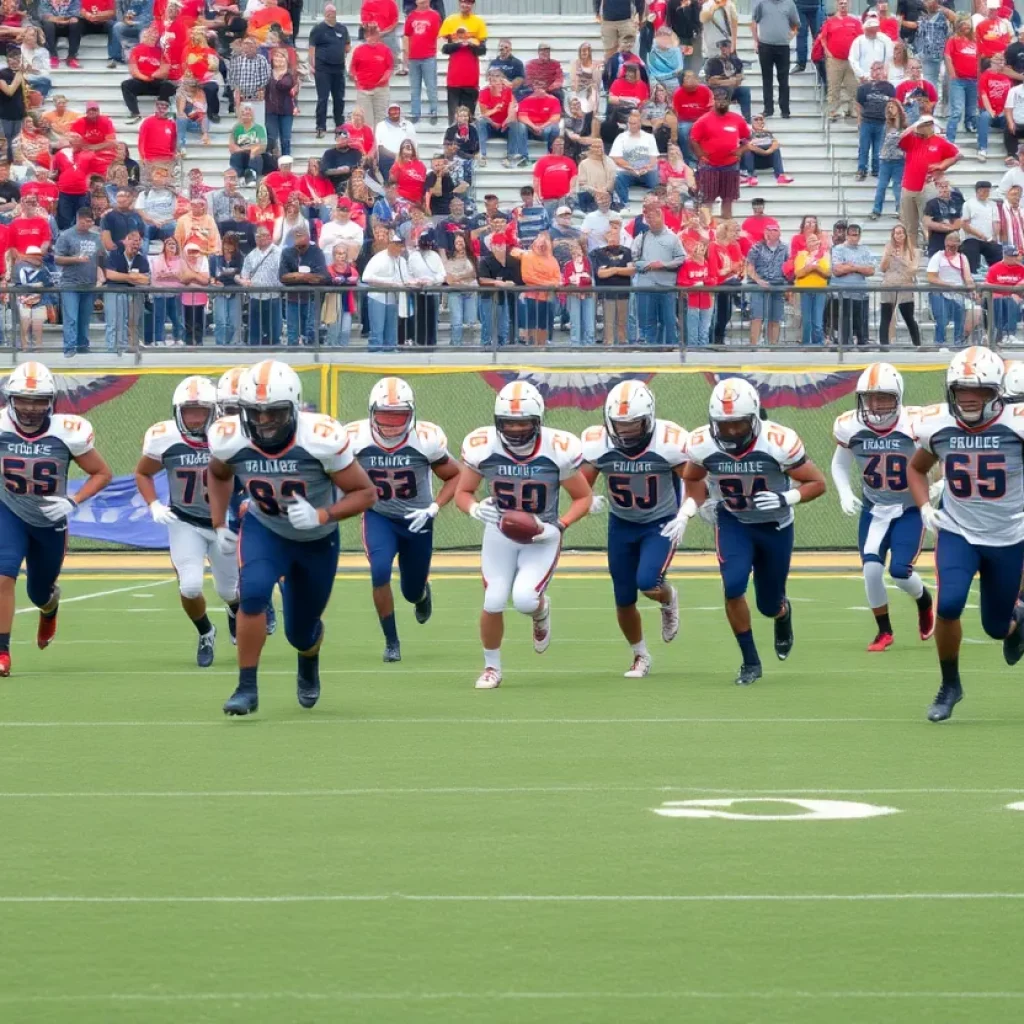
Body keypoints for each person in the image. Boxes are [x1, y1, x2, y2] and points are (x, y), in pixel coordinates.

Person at [208, 360, 376, 715]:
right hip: (264, 528)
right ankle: (246, 687)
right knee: (252, 593)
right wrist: (219, 522)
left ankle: (308, 659)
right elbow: (219, 474)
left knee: (300, 632)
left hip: (317, 539)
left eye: (274, 414)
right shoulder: (229, 436)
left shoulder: (321, 439)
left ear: (295, 408)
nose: (264, 422)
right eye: (255, 413)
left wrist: (323, 514)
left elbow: (366, 493)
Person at [684, 379, 827, 686]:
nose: (733, 432)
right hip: (734, 520)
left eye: (739, 424)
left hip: (775, 525)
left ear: (755, 418)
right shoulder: (703, 443)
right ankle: (750, 662)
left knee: (768, 604)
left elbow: (817, 483)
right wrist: (701, 503)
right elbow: (692, 477)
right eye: (725, 425)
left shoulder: (778, 441)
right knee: (733, 586)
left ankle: (782, 614)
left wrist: (786, 498)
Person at [908, 348, 1024, 722]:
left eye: (979, 391)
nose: (968, 399)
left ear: (998, 392)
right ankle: (949, 685)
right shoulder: (937, 424)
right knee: (949, 604)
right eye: (961, 390)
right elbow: (916, 469)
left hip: (1009, 535)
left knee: (995, 628)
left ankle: (1016, 617)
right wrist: (925, 506)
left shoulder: (1016, 424)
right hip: (959, 531)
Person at [455, 381, 592, 689]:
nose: (515, 429)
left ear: (538, 421)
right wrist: (475, 509)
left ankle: (541, 611)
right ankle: (492, 667)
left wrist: (559, 526)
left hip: (540, 535)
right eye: (509, 423)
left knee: (525, 600)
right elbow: (463, 492)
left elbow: (582, 498)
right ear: (497, 422)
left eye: (522, 423)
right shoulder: (484, 447)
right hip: (499, 532)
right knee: (493, 600)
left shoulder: (557, 449)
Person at [0, 363, 112, 676]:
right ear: (10, 399)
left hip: (50, 520)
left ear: (51, 401)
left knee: (40, 593)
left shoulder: (66, 431)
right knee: (2, 576)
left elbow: (102, 473)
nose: (31, 408)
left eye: (38, 400)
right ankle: (2, 653)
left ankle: (49, 608)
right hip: (9, 510)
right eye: (23, 400)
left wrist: (72, 500)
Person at [345, 378, 460, 661]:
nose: (392, 425)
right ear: (372, 413)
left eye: (399, 417)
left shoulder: (426, 439)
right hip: (380, 516)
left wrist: (434, 507)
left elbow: (456, 475)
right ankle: (391, 641)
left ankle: (421, 594)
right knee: (379, 571)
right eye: (385, 416)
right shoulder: (355, 438)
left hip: (417, 519)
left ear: (411, 415)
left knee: (411, 590)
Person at [578, 382, 685, 676]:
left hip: (659, 522)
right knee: (623, 597)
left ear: (649, 419)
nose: (624, 432)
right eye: (618, 424)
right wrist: (586, 499)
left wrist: (687, 511)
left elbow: (693, 477)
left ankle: (668, 598)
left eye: (632, 424)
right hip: (621, 523)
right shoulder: (598, 442)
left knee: (648, 581)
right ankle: (640, 655)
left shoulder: (668, 441)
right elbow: (580, 482)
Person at [135, 377, 238, 668]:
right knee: (190, 587)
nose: (194, 420)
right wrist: (153, 503)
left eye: (200, 412)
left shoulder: (229, 435)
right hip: (185, 521)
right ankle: (206, 631)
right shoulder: (164, 437)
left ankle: (233, 611)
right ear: (176, 412)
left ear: (214, 411)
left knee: (230, 591)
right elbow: (143, 472)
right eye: (188, 412)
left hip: (223, 523)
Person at [831, 364, 934, 654]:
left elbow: (940, 455)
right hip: (874, 508)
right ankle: (884, 631)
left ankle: (924, 601)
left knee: (900, 571)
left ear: (898, 396)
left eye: (884, 397)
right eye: (870, 398)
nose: (876, 405)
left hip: (910, 508)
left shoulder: (915, 423)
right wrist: (844, 492)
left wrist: (936, 487)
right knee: (872, 571)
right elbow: (839, 463)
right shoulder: (851, 425)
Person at [898, 115, 960, 248]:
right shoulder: (912, 139)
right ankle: (912, 253)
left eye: (927, 125)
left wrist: (942, 165)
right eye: (923, 124)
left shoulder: (940, 141)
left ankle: (931, 249)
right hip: (908, 186)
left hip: (928, 185)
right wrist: (914, 126)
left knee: (929, 222)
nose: (924, 127)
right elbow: (901, 138)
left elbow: (956, 154)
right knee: (909, 224)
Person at [690, 87, 749, 220]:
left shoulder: (737, 119)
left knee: (728, 201)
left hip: (731, 165)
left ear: (729, 102)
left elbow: (747, 138)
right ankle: (707, 231)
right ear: (713, 101)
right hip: (710, 166)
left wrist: (741, 150)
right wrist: (700, 156)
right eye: (719, 100)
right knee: (707, 202)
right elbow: (694, 139)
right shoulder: (703, 120)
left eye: (725, 100)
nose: (722, 103)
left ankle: (726, 231)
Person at [629, 203, 683, 345]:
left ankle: (670, 349)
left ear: (661, 217)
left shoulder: (673, 238)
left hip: (666, 287)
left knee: (669, 321)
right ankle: (650, 350)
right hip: (646, 287)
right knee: (647, 321)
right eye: (648, 219)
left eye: (652, 218)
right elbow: (634, 260)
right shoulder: (642, 237)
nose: (650, 222)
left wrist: (664, 264)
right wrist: (648, 265)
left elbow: (681, 258)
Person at [53, 206, 100, 356]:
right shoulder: (66, 235)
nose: (89, 224)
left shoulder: (95, 237)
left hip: (89, 283)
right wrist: (76, 259)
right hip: (70, 283)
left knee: (84, 318)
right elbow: (57, 258)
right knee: (71, 317)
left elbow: (101, 257)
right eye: (86, 221)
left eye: (91, 222)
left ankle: (83, 345)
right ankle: (69, 347)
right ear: (79, 219)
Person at [279, 223, 328, 345]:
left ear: (308, 237)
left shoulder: (316, 252)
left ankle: (312, 361)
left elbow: (322, 276)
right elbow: (282, 277)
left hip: (311, 298)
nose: (298, 238)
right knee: (292, 333)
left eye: (301, 235)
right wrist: (305, 276)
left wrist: (297, 276)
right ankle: (293, 359)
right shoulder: (287, 253)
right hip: (292, 298)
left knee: (311, 331)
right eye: (296, 236)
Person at [751, 0, 799, 119]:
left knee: (783, 79)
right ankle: (768, 109)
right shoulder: (761, 3)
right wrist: (756, 41)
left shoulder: (789, 4)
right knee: (767, 79)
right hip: (765, 46)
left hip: (783, 47)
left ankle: (785, 110)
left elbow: (796, 23)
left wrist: (792, 34)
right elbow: (753, 22)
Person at [103, 227, 148, 353]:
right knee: (113, 323)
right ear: (125, 241)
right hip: (114, 292)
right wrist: (130, 277)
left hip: (133, 295)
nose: (136, 243)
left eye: (138, 241)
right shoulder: (115, 254)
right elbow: (109, 275)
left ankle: (126, 350)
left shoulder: (141, 258)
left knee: (131, 323)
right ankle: (112, 351)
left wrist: (122, 277)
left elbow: (146, 279)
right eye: (133, 240)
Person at [830, 223, 875, 347]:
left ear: (860, 236)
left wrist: (851, 267)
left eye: (856, 235)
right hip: (842, 293)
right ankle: (844, 347)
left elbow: (871, 270)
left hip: (860, 293)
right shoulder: (838, 249)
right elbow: (837, 270)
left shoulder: (865, 250)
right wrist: (859, 268)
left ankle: (862, 345)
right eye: (851, 235)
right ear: (847, 235)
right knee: (844, 324)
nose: (854, 238)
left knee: (861, 324)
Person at [309, 3, 350, 139]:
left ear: (335, 13)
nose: (330, 14)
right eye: (327, 12)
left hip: (338, 68)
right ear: (324, 13)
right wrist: (312, 65)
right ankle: (320, 126)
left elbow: (347, 47)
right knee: (323, 98)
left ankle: (339, 126)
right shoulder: (318, 29)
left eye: (332, 11)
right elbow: (312, 49)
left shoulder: (342, 29)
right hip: (323, 69)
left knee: (339, 98)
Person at [362, 232, 409, 349]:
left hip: (393, 298)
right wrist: (388, 282)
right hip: (378, 297)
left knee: (391, 331)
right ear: (390, 245)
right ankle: (375, 353)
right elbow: (366, 277)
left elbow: (405, 278)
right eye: (396, 245)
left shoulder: (401, 261)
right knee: (377, 330)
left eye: (400, 246)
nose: (399, 249)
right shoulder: (378, 258)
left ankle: (390, 351)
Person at [926, 230, 973, 345]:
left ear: (959, 244)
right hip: (940, 292)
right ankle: (939, 342)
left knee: (959, 320)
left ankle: (958, 342)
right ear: (945, 243)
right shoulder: (938, 256)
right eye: (948, 245)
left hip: (958, 293)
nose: (950, 248)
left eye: (954, 246)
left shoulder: (962, 258)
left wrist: (971, 287)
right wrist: (949, 285)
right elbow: (931, 277)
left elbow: (967, 277)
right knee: (941, 320)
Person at [877, 223, 921, 346]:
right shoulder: (888, 248)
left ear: (905, 235)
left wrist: (900, 259)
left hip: (905, 285)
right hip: (889, 284)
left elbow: (913, 269)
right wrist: (888, 256)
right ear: (893, 235)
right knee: (885, 317)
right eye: (896, 233)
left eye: (901, 233)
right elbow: (882, 268)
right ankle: (884, 346)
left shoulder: (914, 251)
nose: (899, 235)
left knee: (909, 317)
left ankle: (917, 344)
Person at [591, 219, 633, 343]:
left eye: (615, 234)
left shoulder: (627, 251)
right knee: (608, 322)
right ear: (605, 236)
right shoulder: (598, 253)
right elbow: (601, 273)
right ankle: (608, 343)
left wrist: (613, 269)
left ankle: (622, 342)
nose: (613, 237)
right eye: (610, 234)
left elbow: (631, 271)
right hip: (607, 292)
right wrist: (620, 269)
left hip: (624, 292)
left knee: (622, 321)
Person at [744, 219, 787, 343]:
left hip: (777, 286)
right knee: (756, 317)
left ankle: (772, 347)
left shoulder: (784, 248)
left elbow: (788, 266)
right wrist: (758, 280)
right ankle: (754, 347)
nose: (770, 233)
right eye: (768, 230)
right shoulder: (756, 247)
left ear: (779, 233)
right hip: (758, 286)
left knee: (775, 318)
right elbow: (750, 267)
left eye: (774, 230)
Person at [240, 225, 283, 344]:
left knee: (273, 330)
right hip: (255, 296)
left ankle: (273, 349)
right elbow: (245, 274)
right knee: (255, 330)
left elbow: (283, 272)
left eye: (265, 235)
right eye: (259, 236)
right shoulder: (251, 255)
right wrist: (245, 281)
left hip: (273, 296)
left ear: (270, 237)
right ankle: (255, 351)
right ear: (255, 238)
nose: (262, 238)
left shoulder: (279, 253)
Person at [822, 0, 863, 120]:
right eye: (841, 3)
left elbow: (860, 39)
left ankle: (853, 110)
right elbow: (823, 38)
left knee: (853, 86)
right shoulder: (830, 22)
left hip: (850, 61)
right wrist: (827, 52)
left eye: (845, 3)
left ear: (849, 5)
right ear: (837, 5)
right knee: (833, 87)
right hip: (834, 60)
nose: (843, 5)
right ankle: (833, 111)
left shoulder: (855, 22)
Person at [478, 68, 524, 168]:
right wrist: (494, 114)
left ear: (502, 79)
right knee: (481, 121)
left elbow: (513, 110)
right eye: (492, 76)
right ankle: (482, 155)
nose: (494, 78)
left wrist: (506, 122)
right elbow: (484, 113)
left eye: (497, 76)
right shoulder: (484, 91)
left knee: (517, 125)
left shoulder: (508, 91)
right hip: (491, 125)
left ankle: (510, 157)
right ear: (488, 79)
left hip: (504, 126)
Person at [351, 21, 394, 128]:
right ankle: (369, 144)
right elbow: (352, 68)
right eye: (370, 35)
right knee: (366, 121)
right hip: (364, 91)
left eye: (375, 35)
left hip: (381, 90)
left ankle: (380, 144)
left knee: (381, 121)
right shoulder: (359, 50)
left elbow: (389, 68)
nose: (373, 38)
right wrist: (357, 81)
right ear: (365, 36)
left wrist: (383, 79)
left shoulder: (385, 50)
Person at [404, 0, 440, 124]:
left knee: (431, 85)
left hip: (428, 56)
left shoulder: (434, 15)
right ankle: (415, 112)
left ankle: (434, 110)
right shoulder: (411, 15)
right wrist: (406, 56)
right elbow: (407, 35)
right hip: (413, 57)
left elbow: (436, 34)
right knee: (414, 87)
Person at [441, 24, 485, 123]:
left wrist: (470, 44)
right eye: (460, 33)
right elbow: (444, 49)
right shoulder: (453, 45)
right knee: (453, 116)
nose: (462, 36)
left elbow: (482, 50)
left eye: (464, 33)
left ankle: (467, 136)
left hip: (471, 84)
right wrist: (459, 44)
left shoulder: (474, 44)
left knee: (468, 116)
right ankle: (452, 135)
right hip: (453, 83)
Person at [945, 17, 978, 143]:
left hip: (973, 80)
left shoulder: (975, 41)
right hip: (958, 81)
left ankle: (970, 129)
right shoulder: (953, 40)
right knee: (957, 111)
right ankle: (950, 140)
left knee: (971, 111)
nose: (966, 27)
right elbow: (947, 57)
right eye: (963, 24)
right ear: (958, 26)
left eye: (968, 25)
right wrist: (952, 74)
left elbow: (980, 58)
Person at [793, 231, 830, 345]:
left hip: (820, 291)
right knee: (807, 320)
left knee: (817, 320)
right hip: (804, 291)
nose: (813, 242)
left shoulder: (825, 255)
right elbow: (798, 273)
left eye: (815, 240)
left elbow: (828, 273)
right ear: (806, 244)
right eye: (810, 240)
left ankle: (818, 343)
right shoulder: (801, 255)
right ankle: (806, 344)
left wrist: (815, 267)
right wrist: (810, 268)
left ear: (819, 242)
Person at [740, 111, 794, 185]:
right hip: (752, 162)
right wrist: (765, 152)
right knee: (747, 150)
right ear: (751, 122)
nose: (759, 122)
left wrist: (768, 151)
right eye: (756, 119)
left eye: (761, 119)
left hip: (766, 160)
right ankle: (751, 176)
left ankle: (780, 176)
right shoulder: (746, 133)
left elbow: (776, 144)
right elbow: (750, 147)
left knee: (776, 149)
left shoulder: (768, 133)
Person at [703, 37, 751, 121]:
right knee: (727, 88)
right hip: (715, 90)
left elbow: (738, 81)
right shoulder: (711, 62)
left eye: (727, 47)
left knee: (744, 90)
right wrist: (729, 81)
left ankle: (746, 119)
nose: (724, 49)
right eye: (722, 47)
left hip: (731, 88)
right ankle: (722, 117)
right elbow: (711, 81)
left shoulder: (736, 62)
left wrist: (723, 80)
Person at [960, 179, 1003, 272]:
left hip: (989, 239)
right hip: (972, 238)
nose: (986, 193)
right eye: (984, 191)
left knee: (998, 256)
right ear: (978, 191)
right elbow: (965, 224)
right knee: (972, 261)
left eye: (988, 191)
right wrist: (980, 235)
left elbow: (996, 221)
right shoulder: (968, 204)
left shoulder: (993, 204)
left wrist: (995, 236)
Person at [148, 236, 184, 345]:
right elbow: (157, 276)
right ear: (165, 246)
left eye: (174, 244)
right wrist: (173, 275)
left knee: (176, 318)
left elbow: (181, 277)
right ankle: (159, 340)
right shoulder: (157, 259)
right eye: (169, 244)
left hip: (174, 294)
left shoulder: (180, 260)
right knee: (160, 318)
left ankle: (178, 338)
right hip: (160, 293)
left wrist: (167, 275)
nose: (172, 246)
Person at [228, 35, 271, 126]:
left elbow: (266, 77)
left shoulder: (261, 60)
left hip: (257, 97)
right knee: (242, 125)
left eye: (251, 45)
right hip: (241, 97)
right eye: (245, 45)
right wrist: (236, 91)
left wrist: (259, 89)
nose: (248, 48)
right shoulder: (237, 60)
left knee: (257, 123)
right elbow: (231, 77)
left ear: (256, 47)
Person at [978, 50, 1013, 161]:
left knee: (1012, 120)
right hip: (989, 110)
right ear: (991, 62)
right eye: (997, 60)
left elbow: (1009, 97)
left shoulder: (1007, 77)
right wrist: (990, 110)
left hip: (1003, 112)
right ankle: (982, 148)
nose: (1000, 63)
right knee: (984, 117)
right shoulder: (985, 76)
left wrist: (1005, 112)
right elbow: (983, 95)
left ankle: (1011, 153)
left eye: (1002, 60)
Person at [209, 232, 243, 345]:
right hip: (220, 292)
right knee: (221, 321)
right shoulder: (215, 258)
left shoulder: (241, 257)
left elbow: (242, 275)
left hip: (235, 292)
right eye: (226, 244)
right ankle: (221, 344)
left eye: (231, 244)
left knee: (235, 321)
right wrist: (214, 282)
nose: (228, 247)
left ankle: (235, 344)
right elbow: (212, 276)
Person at [986, 243, 1024, 341]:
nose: (1015, 258)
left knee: (1011, 300)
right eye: (1012, 256)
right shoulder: (994, 268)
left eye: (1016, 255)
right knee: (1000, 301)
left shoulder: (1021, 269)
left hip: (1016, 297)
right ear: (1005, 256)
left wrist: (1015, 293)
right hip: (998, 297)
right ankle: (1002, 333)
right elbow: (988, 286)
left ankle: (1010, 333)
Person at [265, 48, 297, 157]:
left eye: (281, 56)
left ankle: (286, 160)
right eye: (276, 56)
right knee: (272, 137)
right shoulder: (267, 72)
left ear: (286, 59)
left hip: (286, 109)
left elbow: (284, 85)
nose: (278, 59)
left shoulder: (290, 74)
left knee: (285, 138)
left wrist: (277, 78)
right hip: (270, 109)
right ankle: (273, 160)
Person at [515, 81, 562, 154]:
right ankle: (523, 155)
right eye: (537, 86)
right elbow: (522, 117)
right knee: (521, 126)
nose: (539, 88)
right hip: (530, 128)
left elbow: (556, 118)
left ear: (546, 88)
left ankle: (552, 153)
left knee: (555, 128)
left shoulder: (554, 100)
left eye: (541, 86)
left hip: (545, 127)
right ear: (533, 88)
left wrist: (542, 127)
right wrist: (534, 127)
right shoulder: (526, 100)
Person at [923, 176, 965, 256]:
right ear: (937, 189)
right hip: (937, 236)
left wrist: (950, 227)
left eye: (946, 186)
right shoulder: (931, 203)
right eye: (941, 187)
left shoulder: (958, 202)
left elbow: (960, 221)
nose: (944, 189)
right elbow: (927, 222)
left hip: (955, 235)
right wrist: (942, 227)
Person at [375, 102, 417, 180]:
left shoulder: (408, 125)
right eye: (392, 110)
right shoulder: (381, 125)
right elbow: (378, 145)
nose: (395, 112)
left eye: (397, 110)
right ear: (388, 112)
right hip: (387, 160)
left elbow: (414, 143)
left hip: (405, 158)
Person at [227, 103, 266, 182]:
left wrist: (252, 150)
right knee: (235, 156)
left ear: (252, 115)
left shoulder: (259, 128)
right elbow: (231, 146)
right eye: (243, 113)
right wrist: (243, 150)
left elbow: (262, 146)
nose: (246, 114)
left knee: (256, 156)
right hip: (241, 154)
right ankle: (238, 176)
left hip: (253, 155)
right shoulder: (236, 128)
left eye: (248, 113)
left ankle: (251, 177)